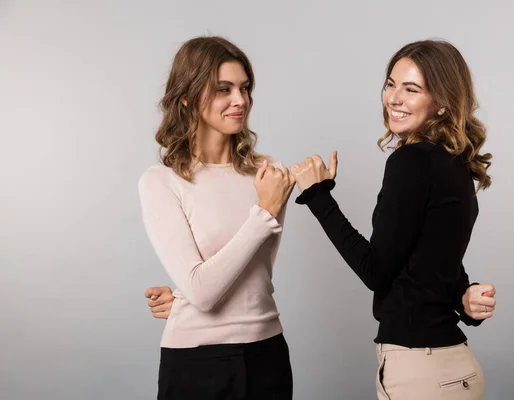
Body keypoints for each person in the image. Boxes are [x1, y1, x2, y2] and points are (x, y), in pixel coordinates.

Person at [288, 39, 495, 399]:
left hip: (421, 372)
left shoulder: (410, 162)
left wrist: (319, 196)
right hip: (454, 369)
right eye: (390, 84)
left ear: (442, 103)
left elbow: (376, 272)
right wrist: (464, 298)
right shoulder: (453, 163)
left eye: (411, 89)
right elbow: (430, 265)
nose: (394, 98)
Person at [138, 35, 295, 400]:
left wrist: (181, 293)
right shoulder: (162, 181)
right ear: (188, 97)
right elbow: (204, 293)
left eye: (244, 88)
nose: (239, 101)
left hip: (268, 351)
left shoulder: (268, 172)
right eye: (223, 89)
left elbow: (254, 273)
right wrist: (264, 212)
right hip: (196, 361)